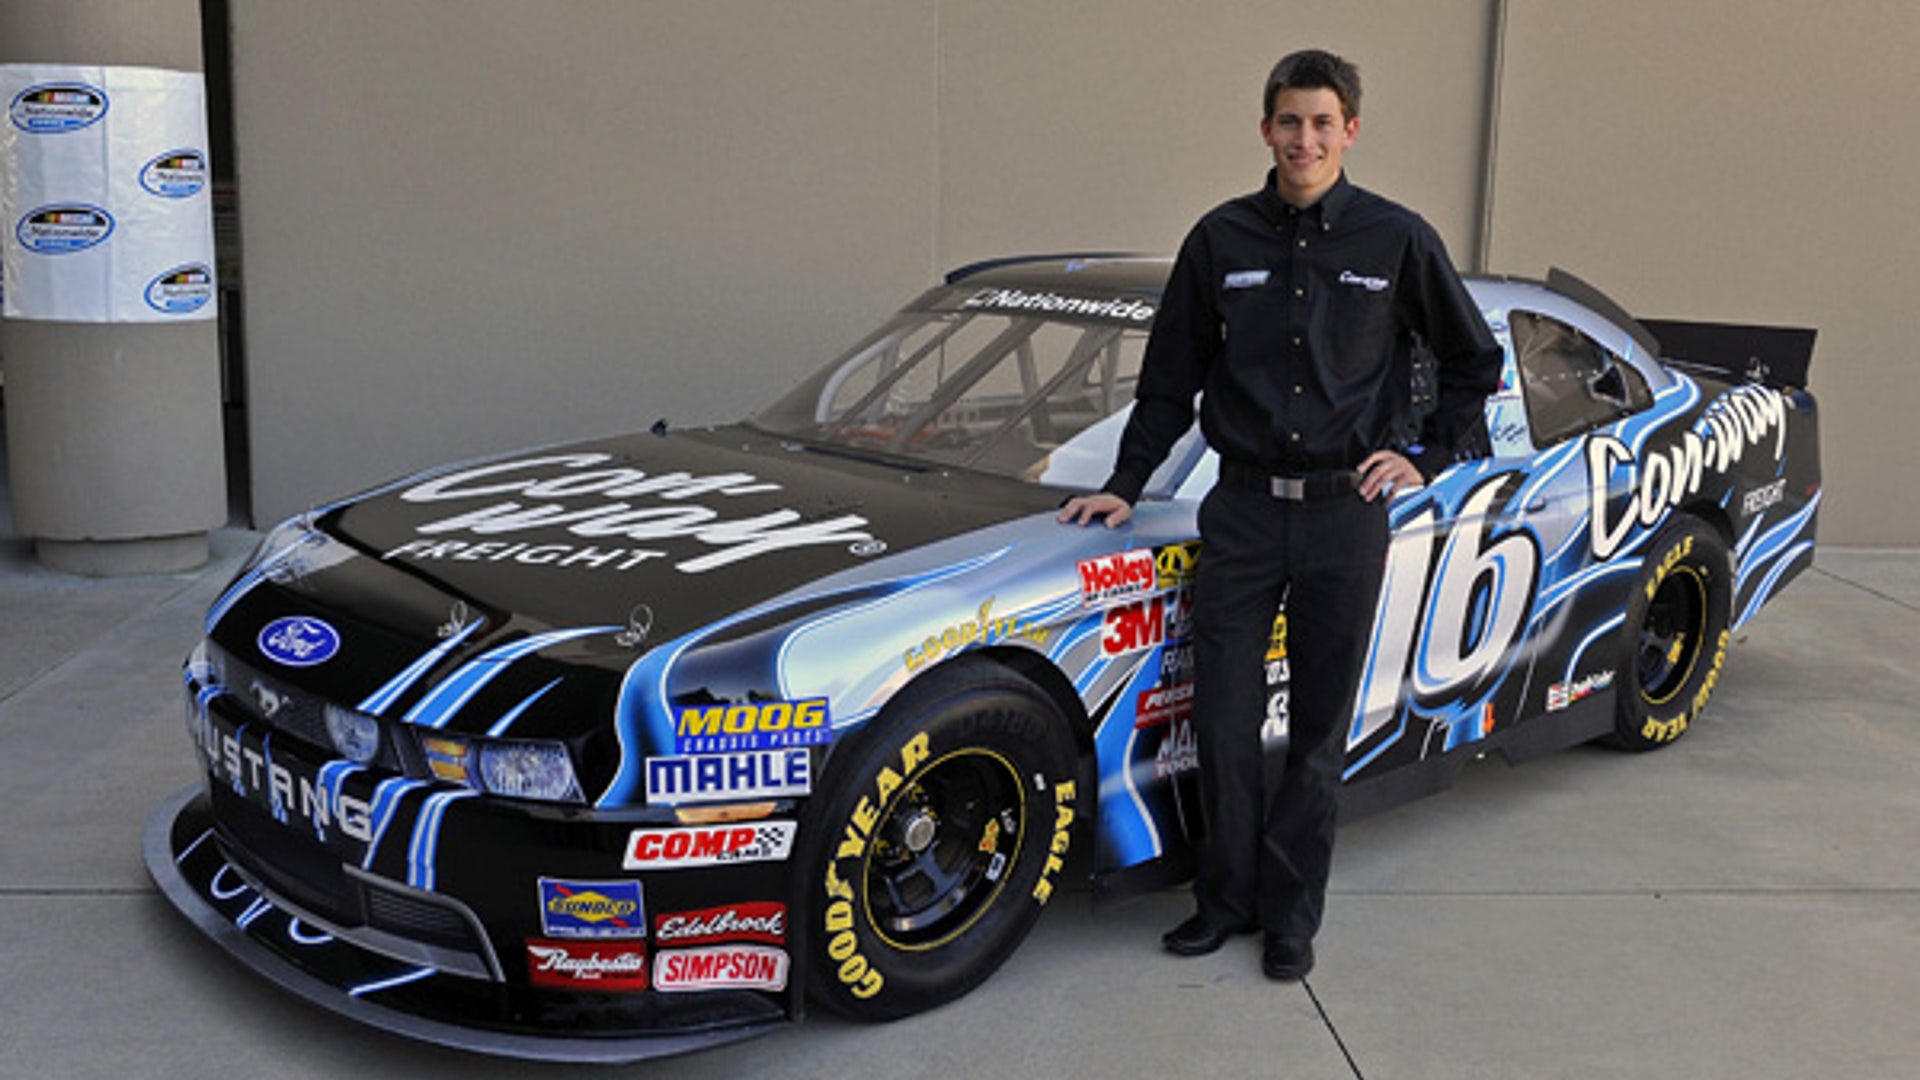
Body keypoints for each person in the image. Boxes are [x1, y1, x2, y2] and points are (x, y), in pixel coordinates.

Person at [1058, 48, 1501, 981]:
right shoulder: (1219, 239)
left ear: (1351, 131)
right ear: (1266, 129)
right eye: (1290, 122)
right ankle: (1222, 902)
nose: (1306, 139)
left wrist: (1423, 456)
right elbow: (1170, 377)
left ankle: (1293, 918)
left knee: (1317, 730)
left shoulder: (1396, 239)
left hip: (1347, 515)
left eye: (1322, 123)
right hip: (1244, 513)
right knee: (1222, 720)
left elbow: (1474, 363)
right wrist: (1126, 483)